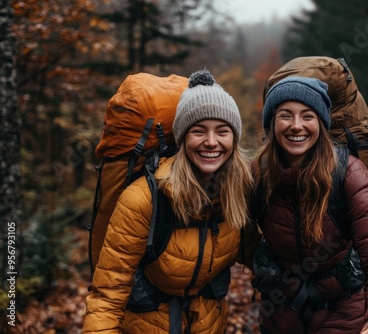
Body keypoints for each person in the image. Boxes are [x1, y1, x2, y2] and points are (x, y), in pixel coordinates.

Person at [83, 69, 260, 333]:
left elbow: (259, 255)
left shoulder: (238, 191)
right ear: (182, 138)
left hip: (209, 325)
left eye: (222, 131)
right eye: (198, 131)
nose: (211, 142)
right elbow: (108, 293)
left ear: (234, 138)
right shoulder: (143, 199)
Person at [251, 76, 368, 334]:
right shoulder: (258, 176)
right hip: (281, 314)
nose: (296, 126)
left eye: (308, 116)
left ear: (321, 123)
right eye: (285, 115)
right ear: (271, 123)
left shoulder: (349, 173)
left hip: (343, 311)